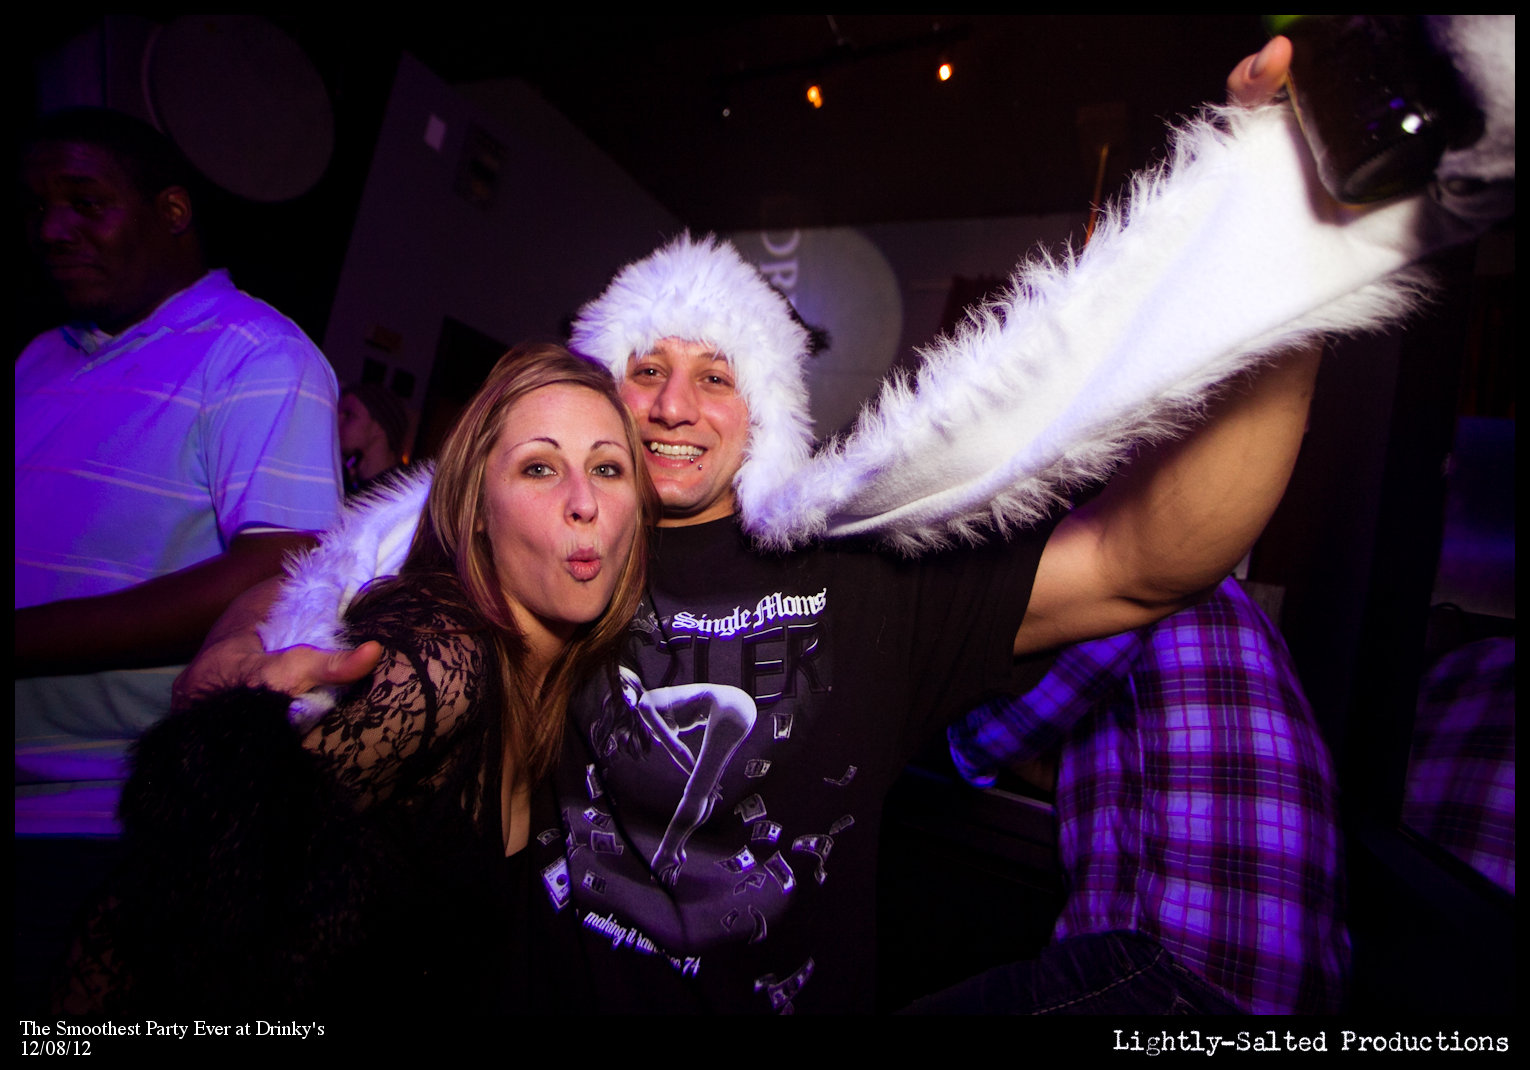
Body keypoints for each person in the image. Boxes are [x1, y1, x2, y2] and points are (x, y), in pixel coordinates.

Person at [172, 40, 1445, 1012]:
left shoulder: (856, 570)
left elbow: (1151, 558)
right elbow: (358, 555)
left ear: (767, 412)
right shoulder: (552, 541)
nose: (674, 403)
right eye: (645, 369)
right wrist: (240, 648)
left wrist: (1294, 280)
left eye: (715, 375)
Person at [57, 344, 659, 1014]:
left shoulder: (563, 686)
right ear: (476, 510)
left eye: (607, 468)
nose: (583, 502)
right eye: (539, 467)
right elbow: (135, 924)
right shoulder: (438, 663)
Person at [14, 107, 343, 834]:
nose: (53, 230)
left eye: (86, 204)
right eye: (38, 208)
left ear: (171, 211)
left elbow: (284, 565)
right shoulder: (40, 354)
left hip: (102, 807)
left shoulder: (257, 354)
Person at [922, 576, 1349, 1015]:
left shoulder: (1152, 569)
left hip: (1174, 967)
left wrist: (949, 729)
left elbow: (996, 734)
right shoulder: (1234, 615)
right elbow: (1117, 765)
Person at [339, 381, 410, 496]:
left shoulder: (401, 495)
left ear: (379, 427)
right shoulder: (347, 484)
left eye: (348, 415)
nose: (337, 421)